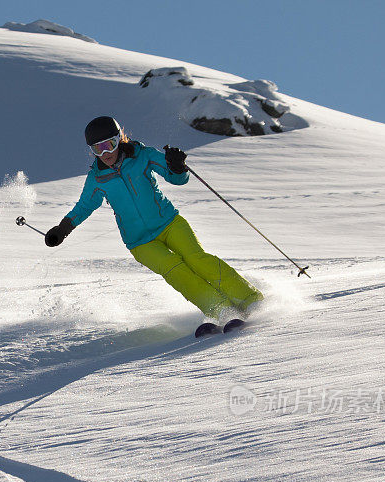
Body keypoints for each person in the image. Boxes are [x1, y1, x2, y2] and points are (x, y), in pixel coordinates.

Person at [45, 116, 263, 328]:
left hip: (169, 223)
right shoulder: (97, 178)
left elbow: (176, 178)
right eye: (97, 149)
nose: (105, 153)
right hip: (140, 242)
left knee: (197, 259)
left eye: (110, 145)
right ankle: (221, 310)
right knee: (176, 272)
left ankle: (249, 299)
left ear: (119, 139)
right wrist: (62, 229)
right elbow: (83, 207)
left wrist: (177, 166)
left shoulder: (143, 155)